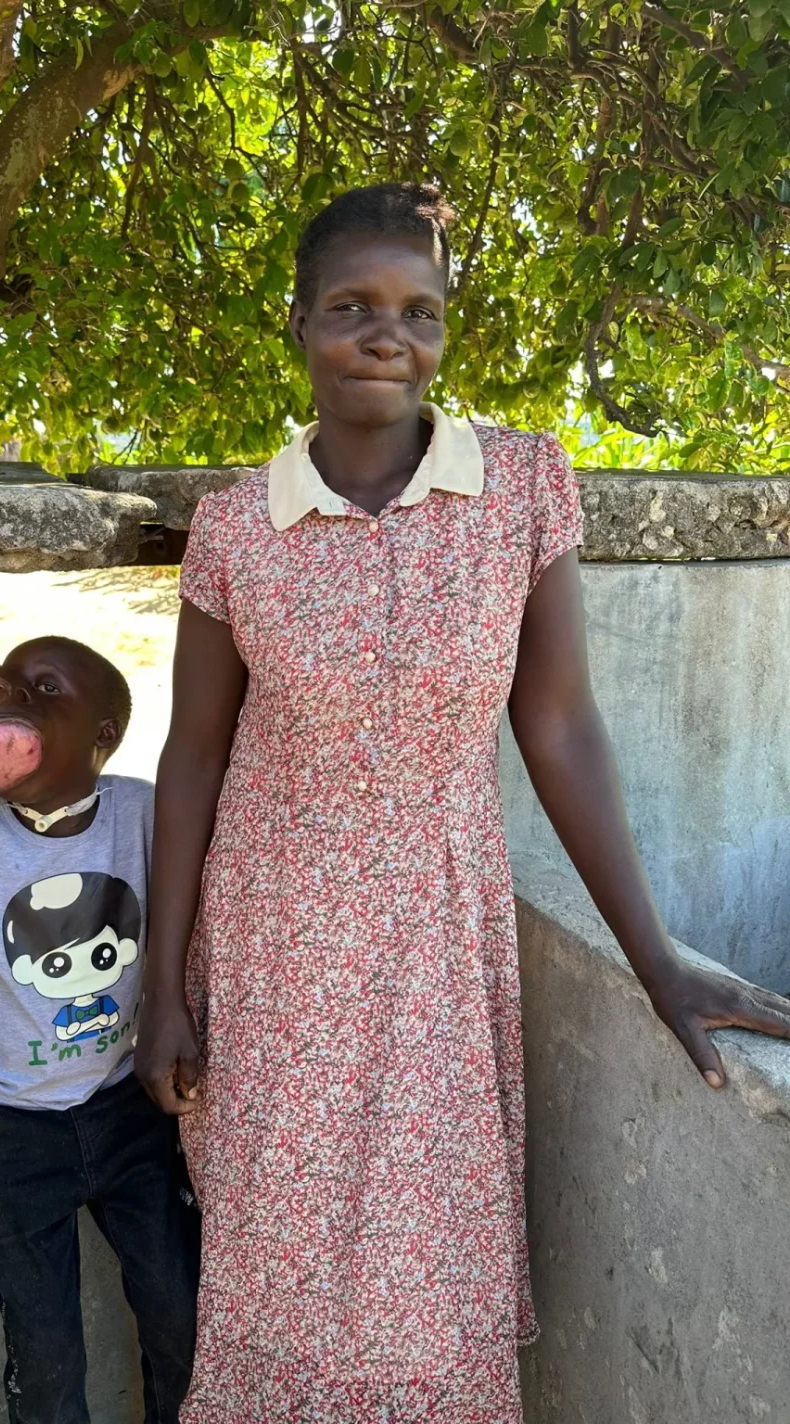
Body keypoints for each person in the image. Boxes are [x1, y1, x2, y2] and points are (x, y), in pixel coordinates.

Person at [134, 183, 790, 1424]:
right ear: (298, 322)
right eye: (352, 305)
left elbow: (558, 727)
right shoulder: (238, 531)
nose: (388, 333)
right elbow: (195, 761)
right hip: (280, 950)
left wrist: (657, 957)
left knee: (427, 1271)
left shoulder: (523, 491)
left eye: (419, 310)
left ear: (445, 332)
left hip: (440, 939)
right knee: (279, 1263)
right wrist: (164, 987)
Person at [0, 636, 199, 1424]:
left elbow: (184, 934)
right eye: (11, 682)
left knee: (180, 1314)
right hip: (3, 1128)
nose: (13, 698)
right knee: (48, 1352)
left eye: (44, 688)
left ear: (102, 734)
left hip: (127, 1113)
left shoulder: (142, 811)